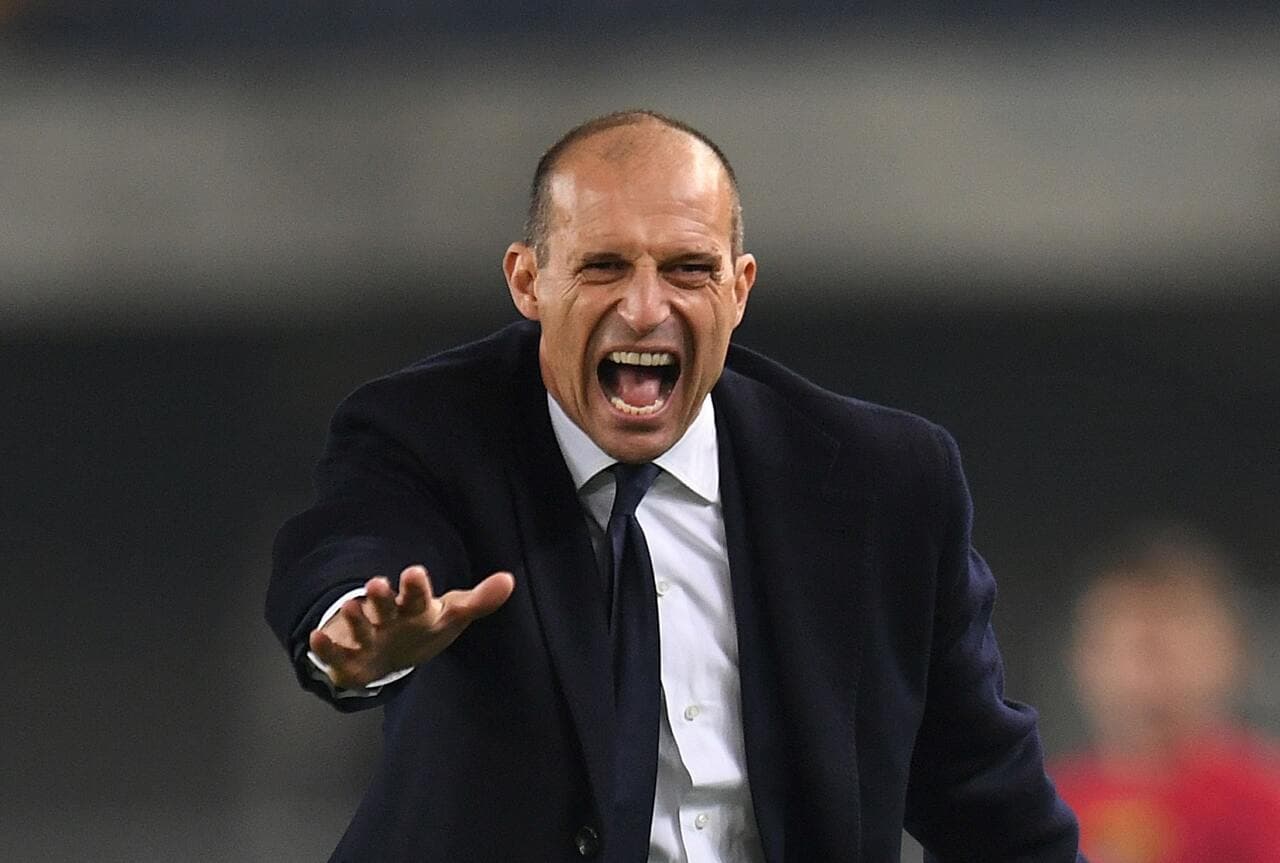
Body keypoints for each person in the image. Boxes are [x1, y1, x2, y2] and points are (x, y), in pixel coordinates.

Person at [266, 110, 1083, 861]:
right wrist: (355, 630)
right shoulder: (429, 429)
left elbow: (988, 800)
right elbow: (354, 542)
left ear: (740, 287)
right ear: (527, 281)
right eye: (604, 266)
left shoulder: (883, 481)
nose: (645, 307)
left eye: (689, 269)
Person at [1051, 525, 1280, 862]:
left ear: (1233, 652)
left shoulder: (1263, 799)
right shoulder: (1045, 801)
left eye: (1168, 648)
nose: (1148, 675)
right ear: (1081, 658)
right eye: (1131, 646)